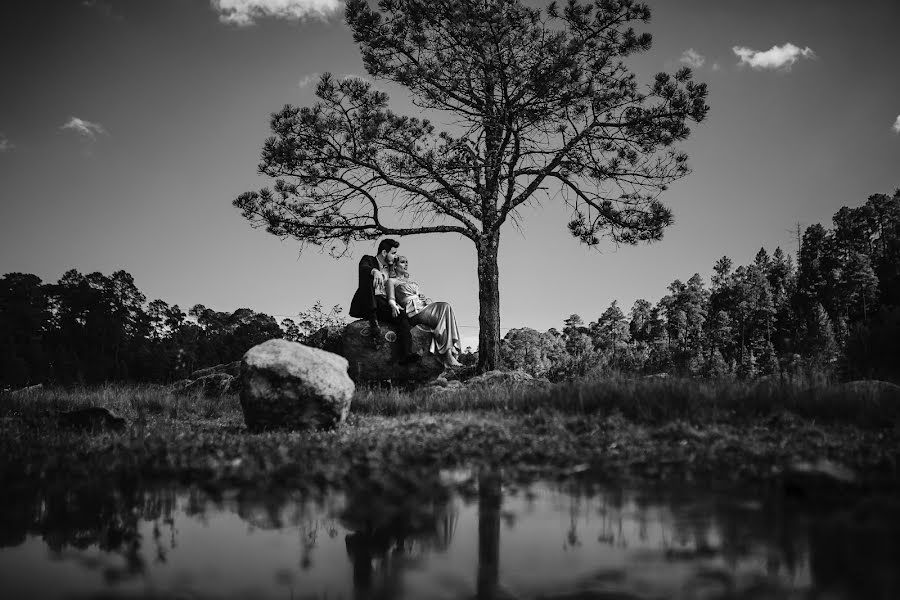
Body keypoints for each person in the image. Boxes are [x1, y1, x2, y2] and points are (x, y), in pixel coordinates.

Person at [348, 239, 418, 364]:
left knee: (402, 316)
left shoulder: (391, 269)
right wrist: (374, 271)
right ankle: (373, 321)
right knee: (369, 277)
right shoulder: (369, 259)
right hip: (367, 300)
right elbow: (363, 268)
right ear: (385, 252)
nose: (395, 256)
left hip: (383, 303)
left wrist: (395, 303)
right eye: (393, 253)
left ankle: (406, 354)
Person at [386, 255, 462, 367]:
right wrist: (393, 306)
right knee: (444, 308)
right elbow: (391, 298)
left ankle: (449, 354)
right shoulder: (391, 281)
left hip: (423, 306)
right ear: (395, 266)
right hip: (412, 311)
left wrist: (422, 297)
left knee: (446, 307)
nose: (406, 264)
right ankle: (447, 355)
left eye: (407, 262)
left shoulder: (411, 282)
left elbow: (419, 296)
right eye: (402, 262)